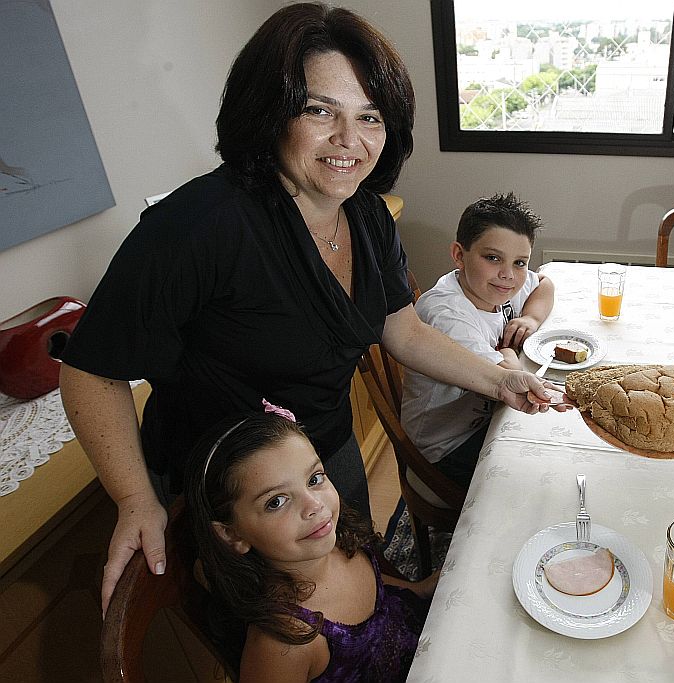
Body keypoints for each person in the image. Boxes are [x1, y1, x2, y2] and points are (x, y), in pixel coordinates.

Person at [58, 2, 565, 616]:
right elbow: (90, 368)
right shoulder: (201, 226)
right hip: (242, 494)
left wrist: (502, 378)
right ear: (270, 112)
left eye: (370, 117)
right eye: (319, 110)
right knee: (293, 634)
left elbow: (399, 327)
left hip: (325, 451)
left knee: (356, 597)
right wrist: (136, 499)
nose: (349, 141)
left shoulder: (368, 213)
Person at [183, 404, 433, 681]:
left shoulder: (335, 540)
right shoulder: (285, 644)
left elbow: (378, 583)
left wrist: (417, 590)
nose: (314, 505)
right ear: (233, 535)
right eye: (276, 502)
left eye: (314, 479)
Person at [401, 193, 554, 488]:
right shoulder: (445, 314)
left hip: (488, 420)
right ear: (459, 254)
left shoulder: (497, 285)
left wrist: (530, 318)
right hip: (446, 446)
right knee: (542, 475)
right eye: (493, 258)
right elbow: (508, 375)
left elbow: (545, 283)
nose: (508, 275)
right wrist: (509, 352)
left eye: (520, 262)